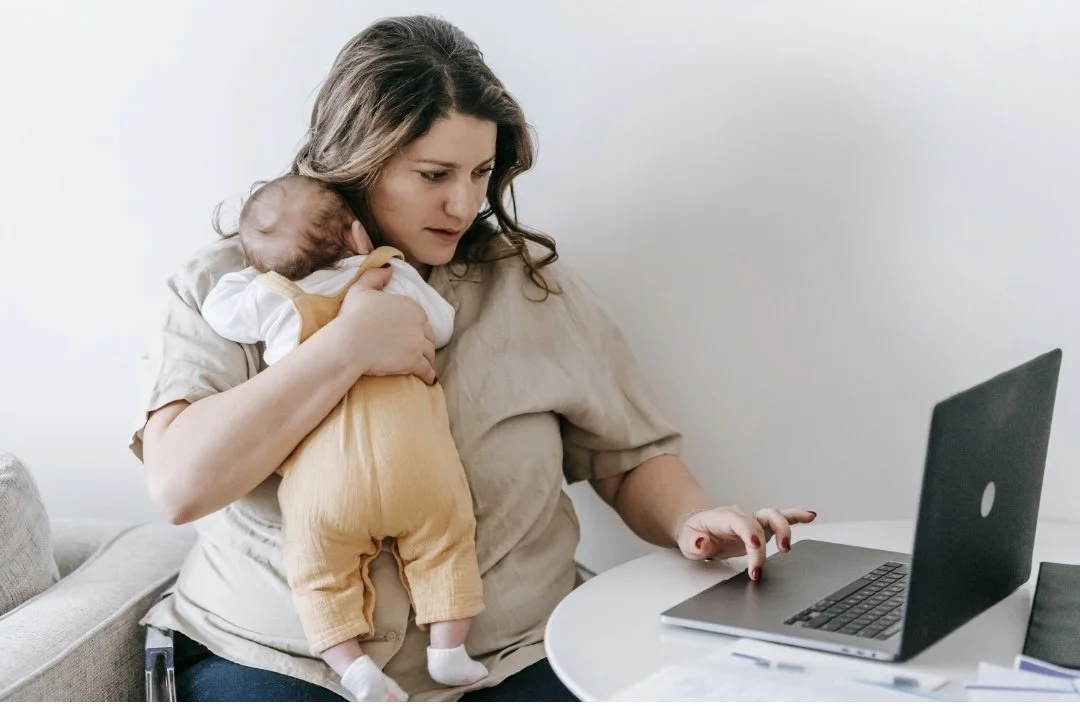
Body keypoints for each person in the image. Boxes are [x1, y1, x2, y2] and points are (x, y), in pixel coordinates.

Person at [132, 14, 816, 702]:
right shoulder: (231, 289)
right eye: (434, 174)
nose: (463, 203)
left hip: (512, 657)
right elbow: (181, 487)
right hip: (278, 659)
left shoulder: (530, 284)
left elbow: (628, 456)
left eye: (481, 173)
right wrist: (342, 349)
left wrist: (691, 521)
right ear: (357, 159)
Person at [199, 174, 487, 701]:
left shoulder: (276, 298)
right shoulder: (388, 273)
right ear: (356, 235)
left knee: (317, 571)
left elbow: (219, 309)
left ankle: (353, 669)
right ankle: (448, 650)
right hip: (416, 462)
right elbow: (441, 325)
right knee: (447, 541)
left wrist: (257, 271)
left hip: (325, 481)